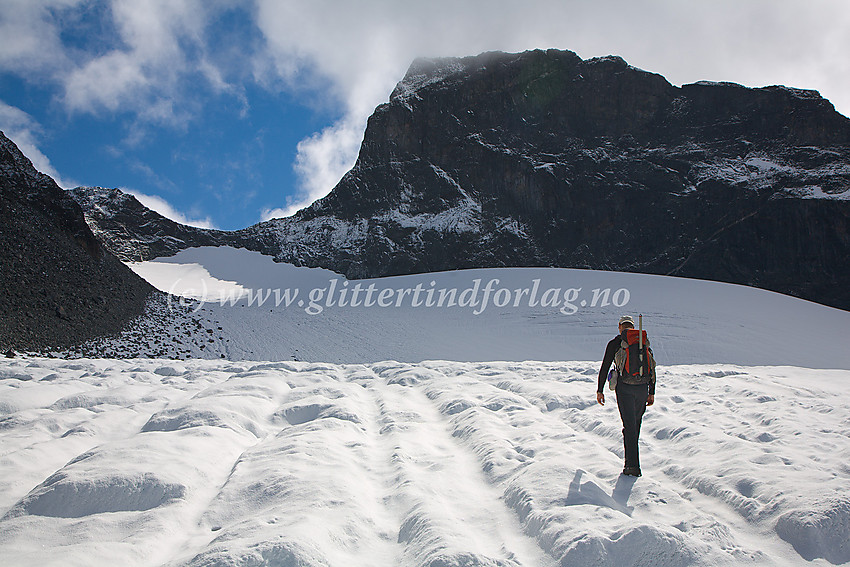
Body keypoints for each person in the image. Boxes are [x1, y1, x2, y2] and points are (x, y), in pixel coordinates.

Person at [596, 315, 655, 477]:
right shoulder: (642, 341)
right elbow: (652, 367)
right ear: (633, 326)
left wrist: (600, 389)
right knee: (635, 425)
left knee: (628, 426)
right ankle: (632, 462)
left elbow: (605, 366)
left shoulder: (615, 343)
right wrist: (652, 392)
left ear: (620, 326)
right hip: (642, 388)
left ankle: (632, 467)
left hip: (624, 388)